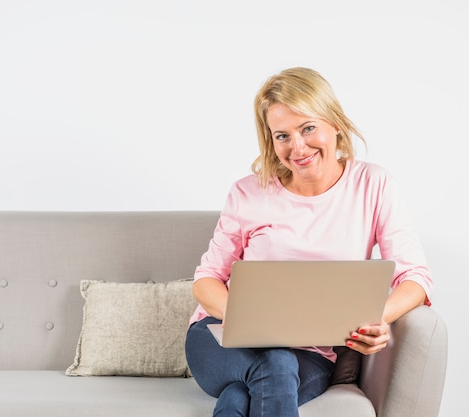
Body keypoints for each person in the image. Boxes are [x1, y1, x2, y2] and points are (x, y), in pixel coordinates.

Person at [185, 67, 433, 417]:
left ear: (335, 124)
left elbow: (416, 278)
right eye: (282, 136)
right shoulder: (247, 192)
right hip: (222, 342)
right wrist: (246, 320)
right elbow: (206, 279)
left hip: (312, 355)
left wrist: (377, 318)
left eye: (308, 128)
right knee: (275, 362)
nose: (297, 147)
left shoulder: (373, 185)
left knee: (245, 395)